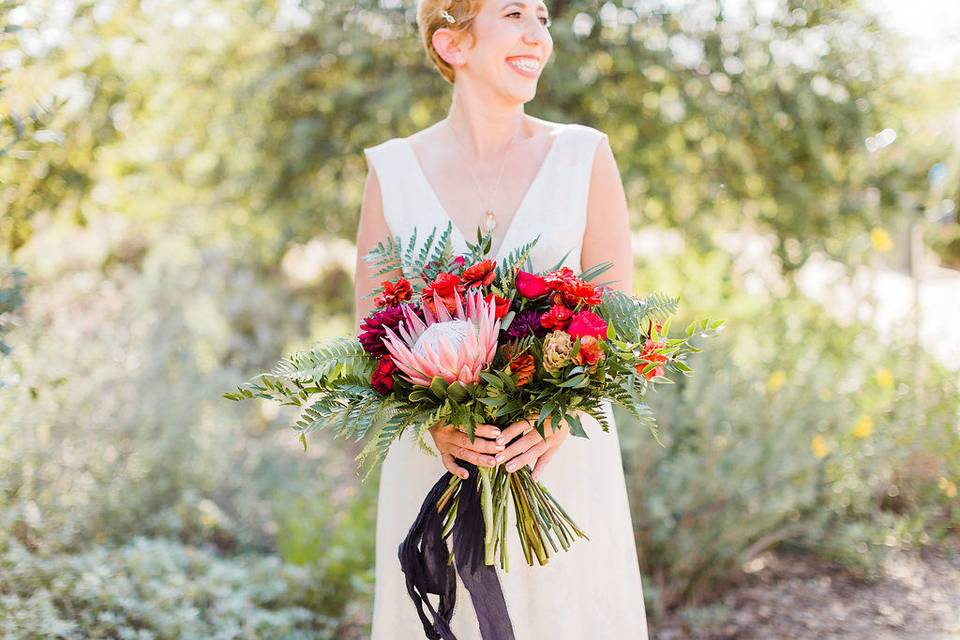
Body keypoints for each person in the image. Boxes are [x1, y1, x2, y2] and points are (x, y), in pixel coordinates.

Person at [354, 0, 649, 637]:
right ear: (452, 44)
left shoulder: (583, 156)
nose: (537, 33)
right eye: (514, 12)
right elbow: (371, 343)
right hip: (438, 470)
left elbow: (618, 322)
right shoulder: (393, 171)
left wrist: (557, 416)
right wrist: (433, 429)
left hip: (558, 465)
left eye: (542, 18)